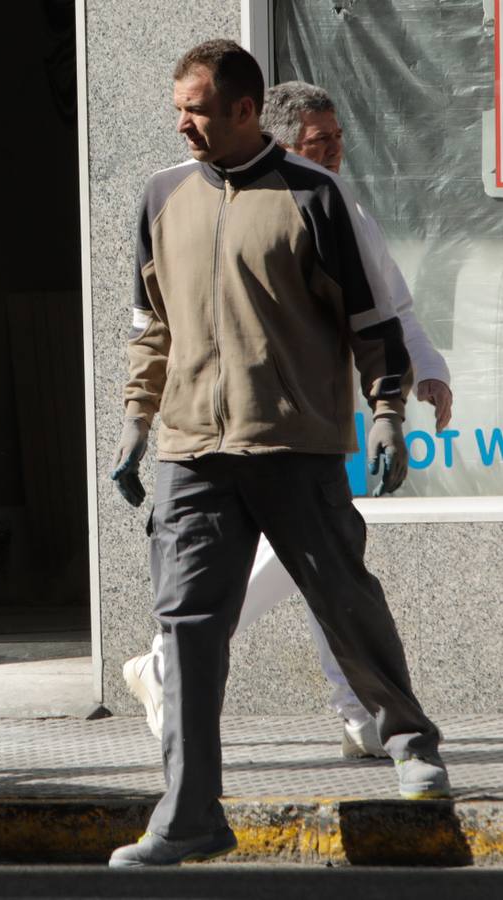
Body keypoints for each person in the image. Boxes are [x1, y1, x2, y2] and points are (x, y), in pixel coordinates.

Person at [106, 40, 449, 868]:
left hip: (295, 442)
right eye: (177, 105)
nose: (181, 121)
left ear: (244, 110)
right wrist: (134, 425)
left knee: (343, 600)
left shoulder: (317, 197)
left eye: (195, 106)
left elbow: (375, 323)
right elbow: (150, 328)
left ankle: (411, 745)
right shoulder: (160, 196)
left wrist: (387, 412)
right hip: (191, 453)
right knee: (186, 626)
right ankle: (189, 815)